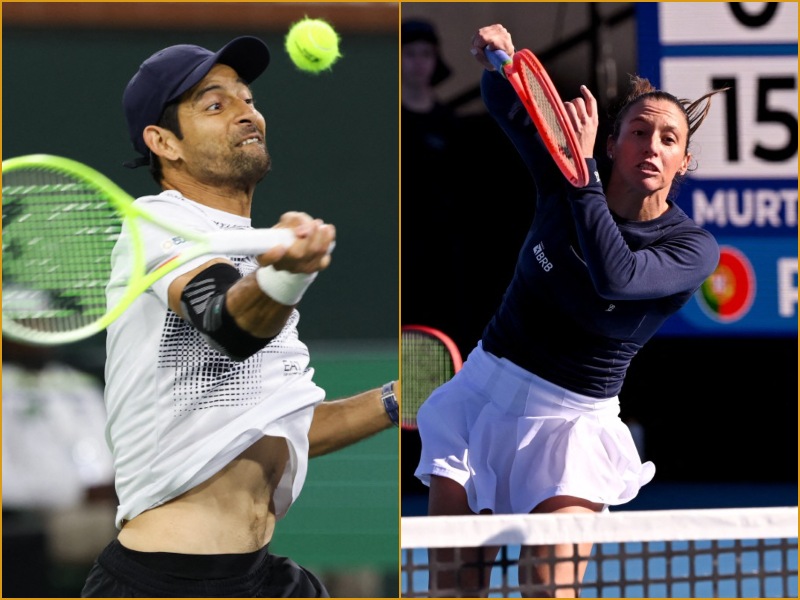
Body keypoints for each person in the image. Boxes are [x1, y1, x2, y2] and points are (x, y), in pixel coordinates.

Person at [412, 24, 725, 597]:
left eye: (667, 139)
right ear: (612, 142)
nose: (651, 146)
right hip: (479, 395)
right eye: (638, 132)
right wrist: (493, 62)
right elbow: (507, 104)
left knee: (547, 590)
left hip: (572, 424)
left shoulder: (691, 248)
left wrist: (582, 177)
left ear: (683, 161)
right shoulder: (564, 185)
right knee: (452, 588)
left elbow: (616, 276)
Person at [80, 36, 399, 598]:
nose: (246, 112)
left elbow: (282, 423)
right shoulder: (154, 223)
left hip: (261, 574)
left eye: (248, 99)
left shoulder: (250, 250)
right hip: (167, 580)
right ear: (164, 143)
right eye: (214, 104)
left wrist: (398, 398)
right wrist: (288, 276)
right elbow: (227, 323)